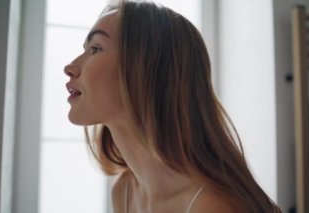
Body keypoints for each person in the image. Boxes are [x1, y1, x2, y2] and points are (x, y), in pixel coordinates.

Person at [64, 1, 281, 212]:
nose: (70, 67)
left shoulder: (213, 206)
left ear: (146, 72)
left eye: (95, 49)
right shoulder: (125, 192)